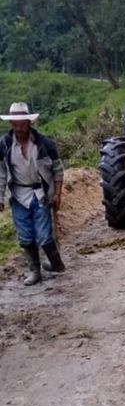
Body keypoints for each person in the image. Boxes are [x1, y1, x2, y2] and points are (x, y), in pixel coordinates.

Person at [0, 102, 66, 286]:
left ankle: (55, 263)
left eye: (22, 124)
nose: (18, 128)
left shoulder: (45, 144)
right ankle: (35, 271)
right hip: (18, 194)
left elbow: (58, 170)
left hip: (41, 193)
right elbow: (2, 174)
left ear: (29, 123)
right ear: (11, 125)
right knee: (25, 236)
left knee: (44, 236)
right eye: (15, 125)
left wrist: (57, 194)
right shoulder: (4, 145)